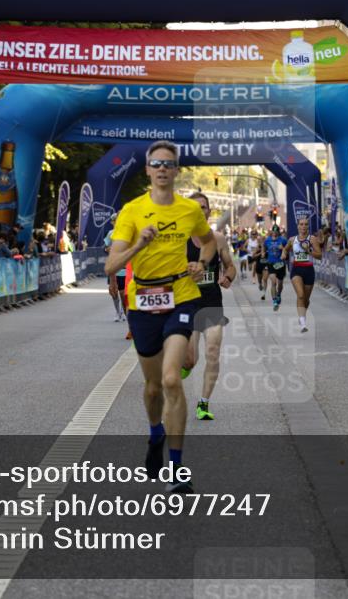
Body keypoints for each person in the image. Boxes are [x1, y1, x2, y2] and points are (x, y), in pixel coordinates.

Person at [105, 140, 215, 494]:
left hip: (181, 295)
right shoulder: (132, 211)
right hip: (142, 301)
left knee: (171, 379)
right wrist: (139, 246)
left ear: (176, 170)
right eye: (156, 163)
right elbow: (111, 264)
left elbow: (208, 240)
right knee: (153, 388)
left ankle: (177, 470)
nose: (162, 168)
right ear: (148, 170)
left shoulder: (188, 210)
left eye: (168, 164)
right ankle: (155, 433)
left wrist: (202, 261)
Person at [182, 192, 237, 421]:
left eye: (203, 206)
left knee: (213, 353)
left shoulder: (218, 239)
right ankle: (176, 375)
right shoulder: (180, 239)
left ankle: (203, 404)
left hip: (212, 303)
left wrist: (228, 278)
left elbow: (230, 266)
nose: (200, 210)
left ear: (208, 211)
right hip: (188, 302)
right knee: (190, 359)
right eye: (195, 206)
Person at [283, 216, 323, 332]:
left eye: (306, 224)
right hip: (296, 269)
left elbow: (319, 256)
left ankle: (302, 315)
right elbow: (286, 249)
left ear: (308, 226)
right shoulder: (292, 239)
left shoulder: (312, 239)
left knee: (306, 299)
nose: (303, 226)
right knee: (300, 295)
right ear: (298, 226)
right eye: (301, 224)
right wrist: (283, 254)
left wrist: (308, 251)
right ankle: (303, 323)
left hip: (309, 270)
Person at [103, 213, 129, 326]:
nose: (116, 222)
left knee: (123, 293)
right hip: (114, 267)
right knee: (113, 292)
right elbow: (105, 247)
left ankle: (123, 310)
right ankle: (117, 311)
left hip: (124, 268)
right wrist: (109, 249)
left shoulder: (128, 233)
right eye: (114, 221)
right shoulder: (110, 233)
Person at [263, 224, 288, 311]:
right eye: (273, 231)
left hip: (280, 264)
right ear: (271, 232)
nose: (274, 233)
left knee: (280, 284)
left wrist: (283, 248)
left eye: (276, 231)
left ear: (278, 232)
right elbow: (264, 247)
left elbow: (288, 250)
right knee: (273, 282)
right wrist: (263, 253)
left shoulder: (283, 240)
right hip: (271, 263)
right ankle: (274, 302)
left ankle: (279, 294)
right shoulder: (267, 240)